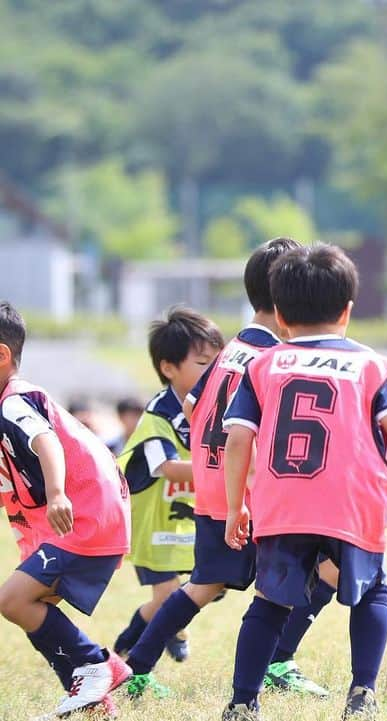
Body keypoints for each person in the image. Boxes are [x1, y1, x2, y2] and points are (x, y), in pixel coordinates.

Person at [219, 243, 387, 720]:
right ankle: (362, 693)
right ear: (348, 310)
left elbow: (238, 440)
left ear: (279, 313)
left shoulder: (263, 366)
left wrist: (237, 506)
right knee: (373, 591)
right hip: (350, 502)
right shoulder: (372, 365)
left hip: (283, 502)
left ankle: (242, 701)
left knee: (270, 602)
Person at [121, 238, 336, 700]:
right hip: (251, 494)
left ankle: (134, 668)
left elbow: (196, 403)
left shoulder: (234, 347)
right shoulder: (272, 358)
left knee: (203, 585)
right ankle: (277, 663)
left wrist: (208, 462)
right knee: (331, 568)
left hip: (217, 490)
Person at [0, 301, 132, 717]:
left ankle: (98, 664)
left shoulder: (13, 402)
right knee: (28, 605)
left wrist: (57, 493)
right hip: (85, 518)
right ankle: (92, 701)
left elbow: (46, 443)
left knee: (12, 600)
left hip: (85, 515)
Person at [113, 307, 224, 665]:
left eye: (216, 362)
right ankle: (127, 652)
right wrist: (226, 470)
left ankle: (160, 631)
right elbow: (168, 468)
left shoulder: (213, 406)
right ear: (168, 368)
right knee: (168, 596)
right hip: (151, 525)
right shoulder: (158, 414)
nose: (214, 371)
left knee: (211, 585)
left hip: (183, 520)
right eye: (203, 363)